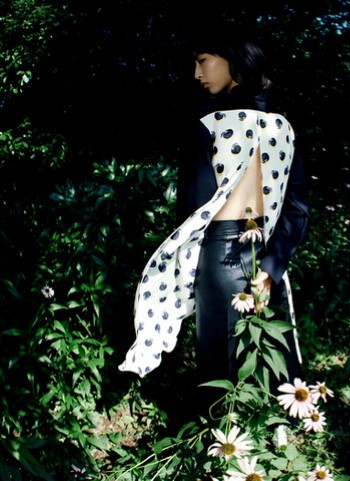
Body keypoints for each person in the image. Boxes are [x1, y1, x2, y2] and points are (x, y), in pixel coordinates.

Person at [118, 23, 310, 399]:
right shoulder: (283, 128)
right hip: (267, 259)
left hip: (221, 259)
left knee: (223, 380)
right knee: (274, 369)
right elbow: (298, 209)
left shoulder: (209, 123)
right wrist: (271, 268)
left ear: (233, 59)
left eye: (203, 60)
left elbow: (194, 205)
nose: (197, 73)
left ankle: (221, 435)